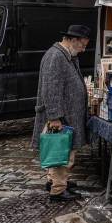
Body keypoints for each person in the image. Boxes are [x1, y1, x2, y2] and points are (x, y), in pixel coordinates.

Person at [31, 25, 91, 202]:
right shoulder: (56, 56)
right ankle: (58, 190)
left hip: (66, 114)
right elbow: (51, 89)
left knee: (59, 151)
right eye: (83, 45)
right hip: (61, 116)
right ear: (73, 40)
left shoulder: (66, 55)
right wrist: (54, 117)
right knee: (62, 153)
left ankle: (55, 181)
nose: (84, 49)